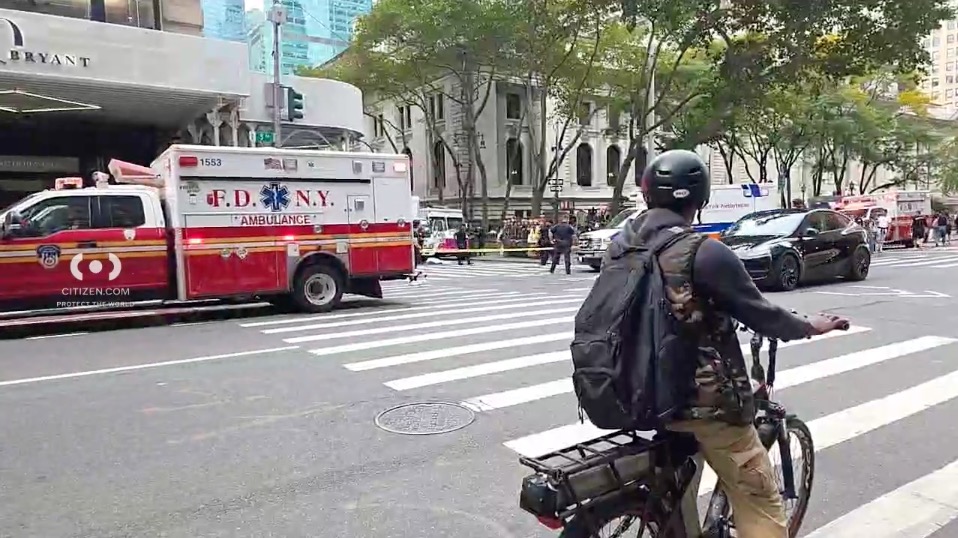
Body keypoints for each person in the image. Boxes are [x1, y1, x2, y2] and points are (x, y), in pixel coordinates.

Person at [616, 149, 849, 538]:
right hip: (701, 404)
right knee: (760, 502)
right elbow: (762, 314)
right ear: (701, 199)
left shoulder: (621, 246)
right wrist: (812, 325)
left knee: (677, 493)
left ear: (646, 195)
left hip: (637, 393)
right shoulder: (704, 252)